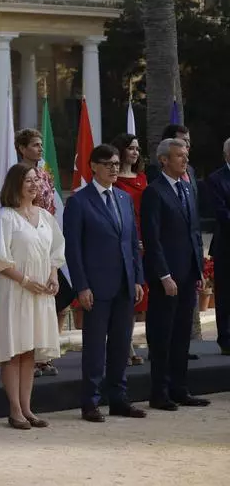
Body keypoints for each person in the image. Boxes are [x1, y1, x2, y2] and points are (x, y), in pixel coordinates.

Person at [64, 145, 147, 423]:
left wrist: (137, 278)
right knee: (95, 348)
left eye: (116, 163)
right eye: (108, 164)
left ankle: (119, 399)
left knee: (121, 346)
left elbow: (132, 244)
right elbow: (73, 249)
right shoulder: (79, 202)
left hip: (124, 284)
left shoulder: (123, 198)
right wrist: (81, 286)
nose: (114, 168)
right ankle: (91, 402)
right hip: (96, 287)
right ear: (93, 167)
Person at [0, 163, 65, 430]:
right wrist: (25, 281)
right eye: (28, 180)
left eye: (36, 180)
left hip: (39, 293)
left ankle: (28, 408)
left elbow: (56, 250)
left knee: (29, 350)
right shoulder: (5, 217)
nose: (34, 185)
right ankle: (15, 410)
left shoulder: (45, 216)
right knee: (14, 350)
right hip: (15, 291)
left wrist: (53, 275)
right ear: (15, 184)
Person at [141, 138, 209, 410]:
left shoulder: (187, 187)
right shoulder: (154, 192)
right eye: (179, 155)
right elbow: (152, 238)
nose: (185, 160)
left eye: (186, 155)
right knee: (163, 336)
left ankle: (180, 389)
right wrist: (163, 275)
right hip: (166, 278)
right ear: (164, 160)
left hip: (188, 273)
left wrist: (199, 268)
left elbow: (194, 231)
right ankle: (159, 393)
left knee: (182, 335)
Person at [15, 128, 73, 377]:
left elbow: (51, 208)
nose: (40, 149)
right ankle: (28, 358)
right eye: (35, 145)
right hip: (27, 241)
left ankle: (43, 355)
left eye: (41, 144)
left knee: (53, 299)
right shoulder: (17, 174)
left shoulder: (45, 175)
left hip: (46, 237)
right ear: (22, 148)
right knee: (31, 304)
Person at [112, 133, 148, 366]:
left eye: (137, 149)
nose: (135, 152)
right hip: (125, 238)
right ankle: (125, 347)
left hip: (144, 239)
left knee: (140, 297)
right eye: (131, 148)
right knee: (126, 296)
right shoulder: (114, 180)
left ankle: (130, 343)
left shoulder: (142, 178)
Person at [205, 137, 230, 356]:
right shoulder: (216, 179)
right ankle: (227, 340)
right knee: (225, 295)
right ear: (226, 154)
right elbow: (221, 212)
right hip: (226, 246)